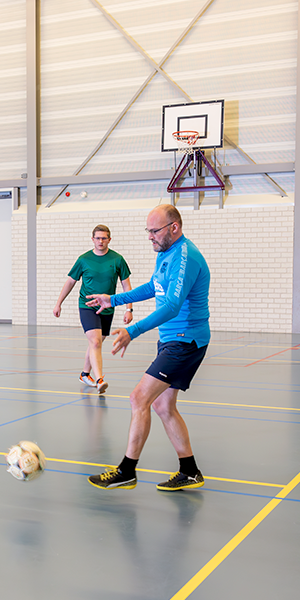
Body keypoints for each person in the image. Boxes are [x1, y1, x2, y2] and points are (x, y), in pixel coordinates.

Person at [84, 204, 210, 492]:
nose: (150, 237)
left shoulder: (185, 257)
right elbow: (154, 287)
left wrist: (133, 329)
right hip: (172, 339)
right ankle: (190, 471)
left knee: (138, 398)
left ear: (174, 228)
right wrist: (112, 299)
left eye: (155, 231)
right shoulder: (166, 254)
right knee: (163, 405)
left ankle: (126, 471)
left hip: (184, 340)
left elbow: (173, 305)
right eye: (148, 231)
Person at [52, 225, 132, 393]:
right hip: (87, 306)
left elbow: (126, 285)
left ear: (109, 239)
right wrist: (59, 303)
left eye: (104, 238)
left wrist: (128, 309)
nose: (100, 241)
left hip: (108, 307)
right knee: (95, 342)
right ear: (92, 239)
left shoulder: (118, 260)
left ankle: (84, 374)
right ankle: (100, 379)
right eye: (97, 238)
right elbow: (70, 282)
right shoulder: (83, 259)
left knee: (96, 342)